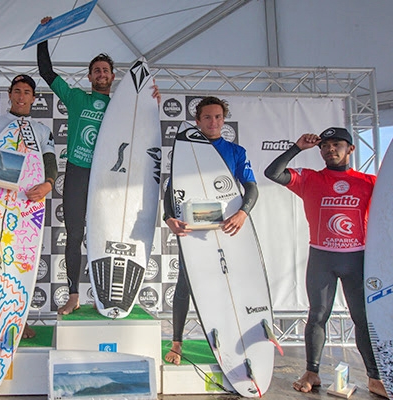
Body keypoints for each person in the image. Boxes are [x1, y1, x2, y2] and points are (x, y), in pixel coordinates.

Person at [37, 16, 159, 315]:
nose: (101, 74)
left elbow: (145, 128)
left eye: (105, 70)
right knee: (75, 233)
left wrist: (152, 99)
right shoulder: (77, 97)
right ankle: (74, 294)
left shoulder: (124, 108)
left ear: (113, 76)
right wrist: (44, 35)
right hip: (79, 171)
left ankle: (112, 295)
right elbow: (45, 71)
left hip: (110, 178)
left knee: (113, 234)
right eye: (96, 71)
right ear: (90, 77)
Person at [264, 127, 387, 397]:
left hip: (357, 258)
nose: (330, 149)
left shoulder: (369, 182)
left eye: (337, 144)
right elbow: (272, 173)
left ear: (350, 149)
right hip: (322, 257)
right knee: (318, 316)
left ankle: (374, 377)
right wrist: (297, 148)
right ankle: (312, 372)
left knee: (362, 319)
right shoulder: (310, 179)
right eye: (325, 145)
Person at [163, 97, 259, 365]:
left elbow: (251, 187)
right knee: (185, 285)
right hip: (192, 230)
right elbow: (170, 190)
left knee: (226, 285)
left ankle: (227, 345)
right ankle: (177, 343)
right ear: (198, 121)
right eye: (207, 117)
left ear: (224, 119)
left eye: (218, 117)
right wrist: (169, 218)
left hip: (225, 228)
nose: (213, 122)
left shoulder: (236, 151)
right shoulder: (185, 150)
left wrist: (242, 213)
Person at [0, 74, 57, 339]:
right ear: (9, 94)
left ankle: (17, 319)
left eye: (27, 92)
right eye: (17, 91)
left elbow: (50, 162)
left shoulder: (41, 129)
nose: (21, 96)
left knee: (18, 262)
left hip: (25, 202)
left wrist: (49, 184)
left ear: (34, 98)